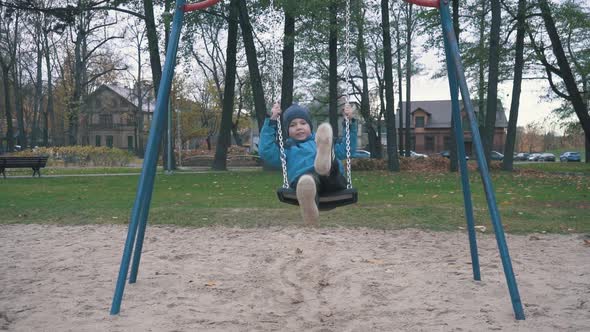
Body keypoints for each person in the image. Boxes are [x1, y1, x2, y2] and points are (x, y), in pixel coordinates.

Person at [259, 102, 357, 226]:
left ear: (310, 126)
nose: (299, 127)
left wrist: (350, 123)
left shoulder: (322, 140)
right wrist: (272, 120)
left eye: (303, 123)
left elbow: (348, 149)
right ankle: (309, 207)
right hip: (306, 180)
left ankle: (324, 164)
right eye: (293, 125)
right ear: (287, 131)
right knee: (307, 180)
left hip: (333, 181)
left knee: (331, 168)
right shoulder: (287, 149)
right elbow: (266, 151)